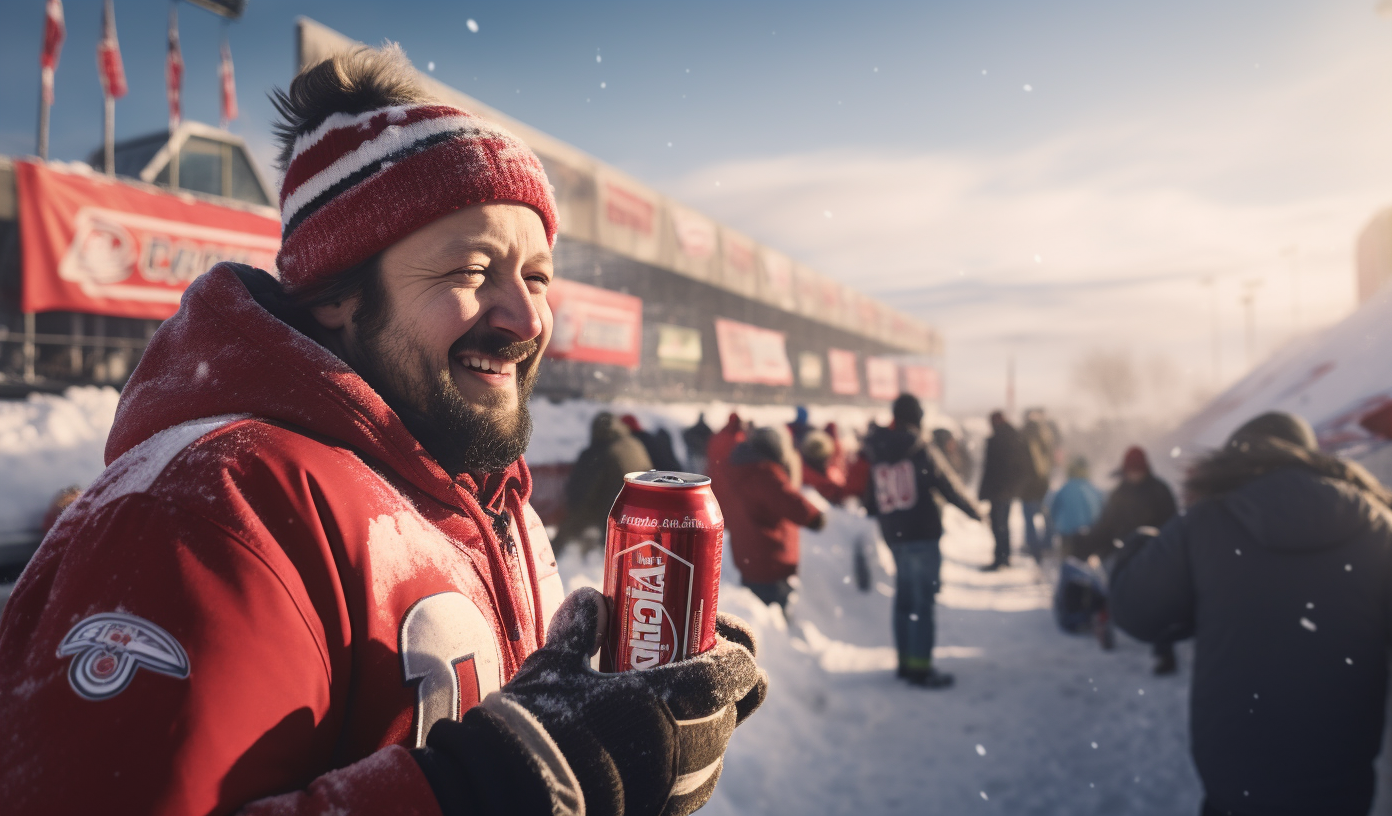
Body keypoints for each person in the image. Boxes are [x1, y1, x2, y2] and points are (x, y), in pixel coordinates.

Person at [0, 45, 766, 816]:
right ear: (338, 294)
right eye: (472, 270)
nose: (528, 317)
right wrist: (501, 784)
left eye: (536, 277)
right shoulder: (209, 508)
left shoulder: (489, 497)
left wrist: (609, 728)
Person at [1110, 412, 1392, 816]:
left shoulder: (1204, 524)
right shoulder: (1373, 524)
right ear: (1309, 457)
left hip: (1236, 786)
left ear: (1233, 462)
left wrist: (1138, 546)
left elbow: (1135, 611)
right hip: (1338, 786)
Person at [861, 394, 983, 688]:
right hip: (923, 534)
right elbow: (947, 484)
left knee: (904, 601)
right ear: (917, 418)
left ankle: (905, 664)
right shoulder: (919, 448)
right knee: (922, 604)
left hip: (895, 536)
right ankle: (921, 669)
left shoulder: (877, 449)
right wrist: (974, 511)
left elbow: (870, 498)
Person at [1070, 446, 1179, 672]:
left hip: (1155, 553)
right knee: (1113, 590)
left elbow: (1172, 525)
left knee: (1159, 603)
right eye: (1130, 471)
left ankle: (1165, 653)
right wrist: (1086, 545)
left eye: (1137, 470)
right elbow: (1106, 526)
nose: (1134, 475)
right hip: (1124, 552)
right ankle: (1106, 626)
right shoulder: (1119, 493)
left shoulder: (1159, 491)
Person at [720, 426, 825, 621]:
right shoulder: (764, 472)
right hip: (770, 558)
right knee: (772, 621)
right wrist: (814, 518)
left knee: (755, 616)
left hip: (748, 557)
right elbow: (789, 501)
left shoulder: (736, 468)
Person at [553, 411, 653, 551]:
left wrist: (573, 514)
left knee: (568, 531)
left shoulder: (599, 451)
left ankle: (553, 559)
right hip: (641, 510)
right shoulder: (635, 444)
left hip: (612, 511)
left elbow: (582, 491)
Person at [978, 411, 1033, 571]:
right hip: (1003, 490)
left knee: (999, 524)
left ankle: (1001, 558)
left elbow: (993, 468)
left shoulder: (1002, 439)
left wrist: (1005, 487)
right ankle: (1003, 557)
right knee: (1000, 524)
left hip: (1000, 490)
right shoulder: (1013, 437)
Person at [1019, 408, 1059, 563]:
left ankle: (1034, 546)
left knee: (1030, 518)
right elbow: (1049, 459)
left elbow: (1029, 463)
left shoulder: (1024, 436)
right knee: (1046, 515)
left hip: (1029, 485)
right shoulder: (1046, 434)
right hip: (1043, 483)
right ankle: (1047, 544)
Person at [1047, 456, 1103, 551]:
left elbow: (1053, 508)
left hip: (1067, 532)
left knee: (1068, 561)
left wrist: (1054, 526)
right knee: (1084, 562)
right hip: (1089, 533)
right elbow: (1102, 510)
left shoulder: (1064, 489)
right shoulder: (1093, 490)